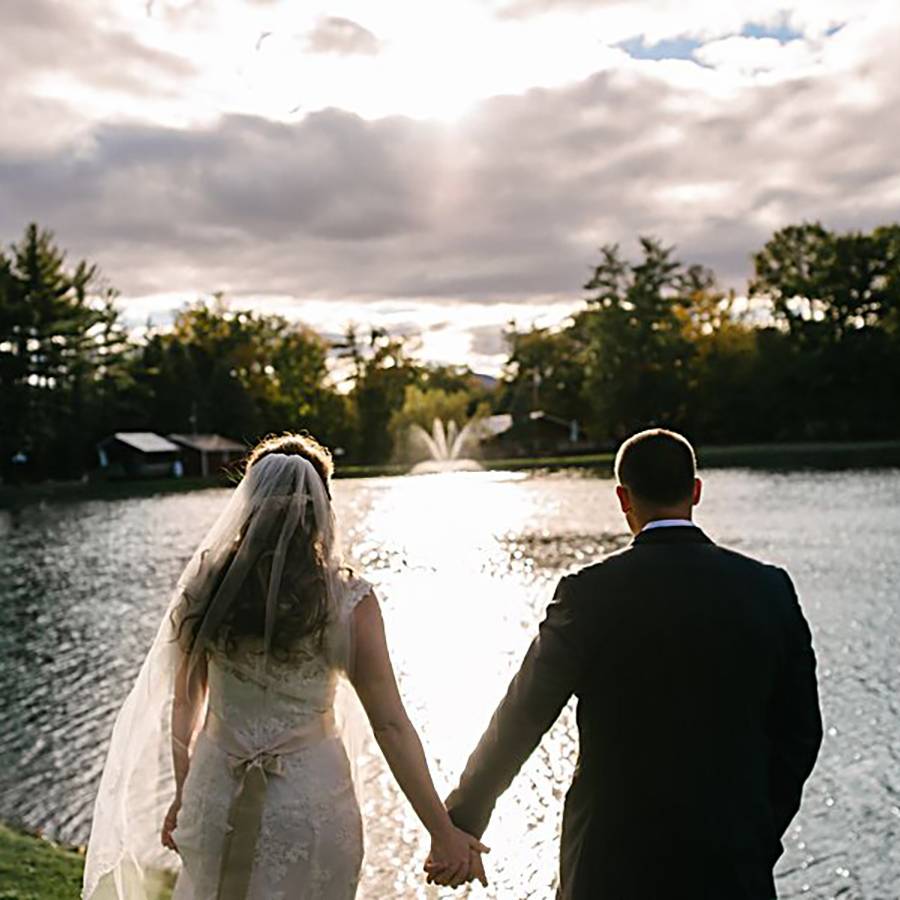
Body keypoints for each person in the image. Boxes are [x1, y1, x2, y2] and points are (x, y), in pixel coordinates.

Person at [83, 432, 487, 900]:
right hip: (310, 801)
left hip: (215, 792)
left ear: (249, 504)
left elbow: (185, 704)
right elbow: (391, 725)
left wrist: (184, 791)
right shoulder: (347, 601)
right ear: (322, 507)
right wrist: (442, 830)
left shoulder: (208, 587)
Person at [434, 428, 823, 899]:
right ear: (695, 490)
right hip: (731, 862)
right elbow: (801, 732)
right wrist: (756, 826)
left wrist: (460, 821)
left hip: (611, 863)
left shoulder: (589, 594)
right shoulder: (768, 589)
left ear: (623, 498)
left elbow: (522, 717)